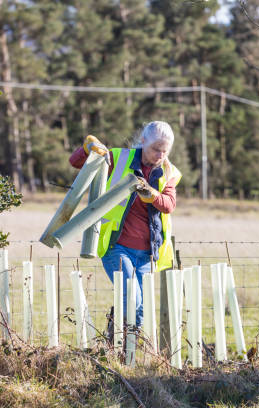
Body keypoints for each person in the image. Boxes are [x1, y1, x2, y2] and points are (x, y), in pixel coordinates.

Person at [69, 121, 182, 335]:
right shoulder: (118, 158)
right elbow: (76, 163)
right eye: (155, 149)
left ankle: (121, 351)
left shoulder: (169, 172)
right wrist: (87, 147)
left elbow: (169, 205)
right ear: (142, 141)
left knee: (138, 308)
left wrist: (153, 195)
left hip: (148, 253)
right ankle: (121, 349)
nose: (159, 155)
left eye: (164, 151)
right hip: (116, 245)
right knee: (132, 298)